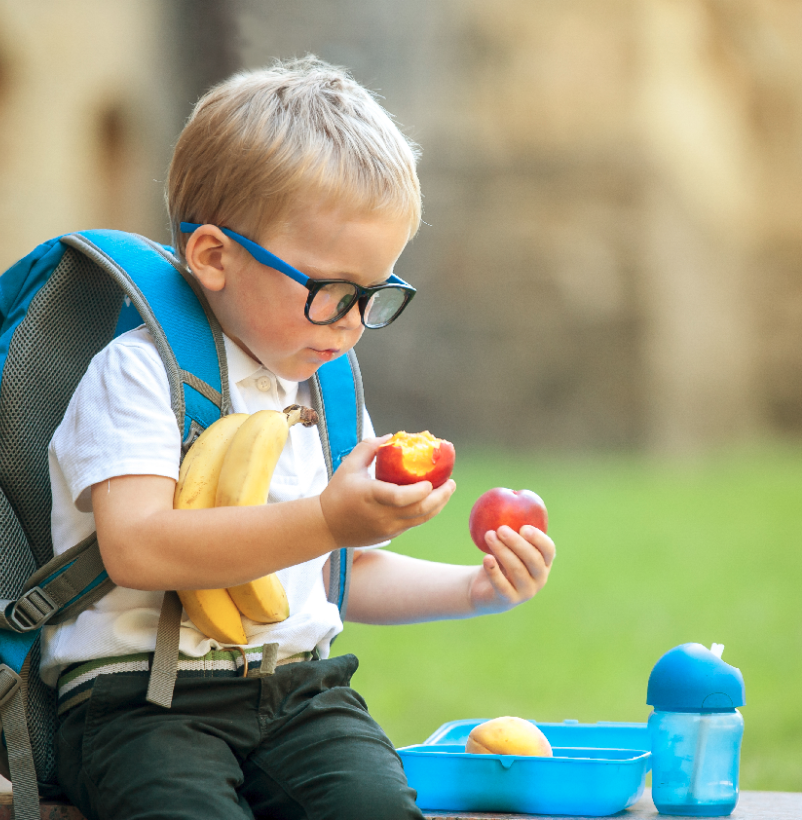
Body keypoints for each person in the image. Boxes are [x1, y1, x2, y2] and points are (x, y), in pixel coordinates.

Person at [42, 56, 556, 820]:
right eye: (330, 291)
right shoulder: (139, 374)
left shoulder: (327, 384)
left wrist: (473, 590)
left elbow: (340, 572)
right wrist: (324, 520)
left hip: (301, 693)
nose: (352, 322)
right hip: (140, 701)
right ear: (214, 257)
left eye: (374, 294)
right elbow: (138, 548)